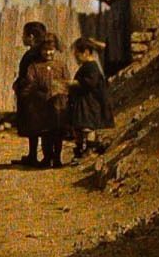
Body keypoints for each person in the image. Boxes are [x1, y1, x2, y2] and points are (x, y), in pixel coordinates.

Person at [15, 28, 69, 168]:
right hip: (41, 106)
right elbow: (30, 82)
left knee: (57, 133)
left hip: (58, 105)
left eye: (51, 50)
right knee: (45, 133)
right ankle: (47, 157)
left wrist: (63, 93)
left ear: (55, 49)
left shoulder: (60, 65)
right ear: (40, 50)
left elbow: (66, 82)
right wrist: (29, 93)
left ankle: (57, 158)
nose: (48, 53)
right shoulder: (35, 66)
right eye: (45, 50)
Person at [67, 36, 114, 157]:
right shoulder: (87, 66)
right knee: (81, 126)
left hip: (90, 102)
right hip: (85, 101)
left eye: (77, 54)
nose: (76, 57)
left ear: (86, 53)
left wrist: (75, 83)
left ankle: (89, 149)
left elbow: (91, 82)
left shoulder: (91, 67)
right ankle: (81, 149)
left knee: (88, 127)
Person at [89, 0, 133, 77]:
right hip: (115, 8)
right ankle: (116, 63)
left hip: (128, 7)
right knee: (115, 36)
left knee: (127, 34)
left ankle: (127, 60)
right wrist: (106, 1)